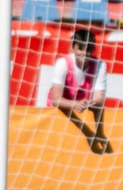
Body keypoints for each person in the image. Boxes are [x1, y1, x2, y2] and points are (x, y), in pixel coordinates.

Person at [33, 24, 113, 154]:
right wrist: (75, 104)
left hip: (80, 106)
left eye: (88, 49)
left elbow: (100, 98)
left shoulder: (100, 65)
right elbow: (56, 99)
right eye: (80, 49)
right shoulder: (62, 64)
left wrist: (92, 103)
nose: (84, 53)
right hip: (59, 108)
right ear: (73, 48)